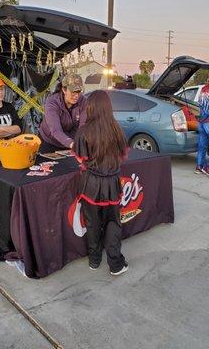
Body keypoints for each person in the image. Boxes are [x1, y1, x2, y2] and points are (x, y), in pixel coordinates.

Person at [73, 90, 129, 276]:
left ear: (91, 107)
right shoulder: (117, 130)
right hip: (112, 183)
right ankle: (115, 264)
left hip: (90, 184)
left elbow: (81, 159)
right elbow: (123, 156)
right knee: (113, 222)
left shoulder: (83, 131)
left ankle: (94, 260)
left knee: (92, 223)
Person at [39, 74, 86, 152]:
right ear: (64, 90)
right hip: (50, 141)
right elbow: (55, 130)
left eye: (79, 91)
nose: (76, 96)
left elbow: (83, 127)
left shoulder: (83, 101)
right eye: (73, 92)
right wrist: (71, 143)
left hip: (72, 141)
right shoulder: (52, 102)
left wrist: (80, 142)